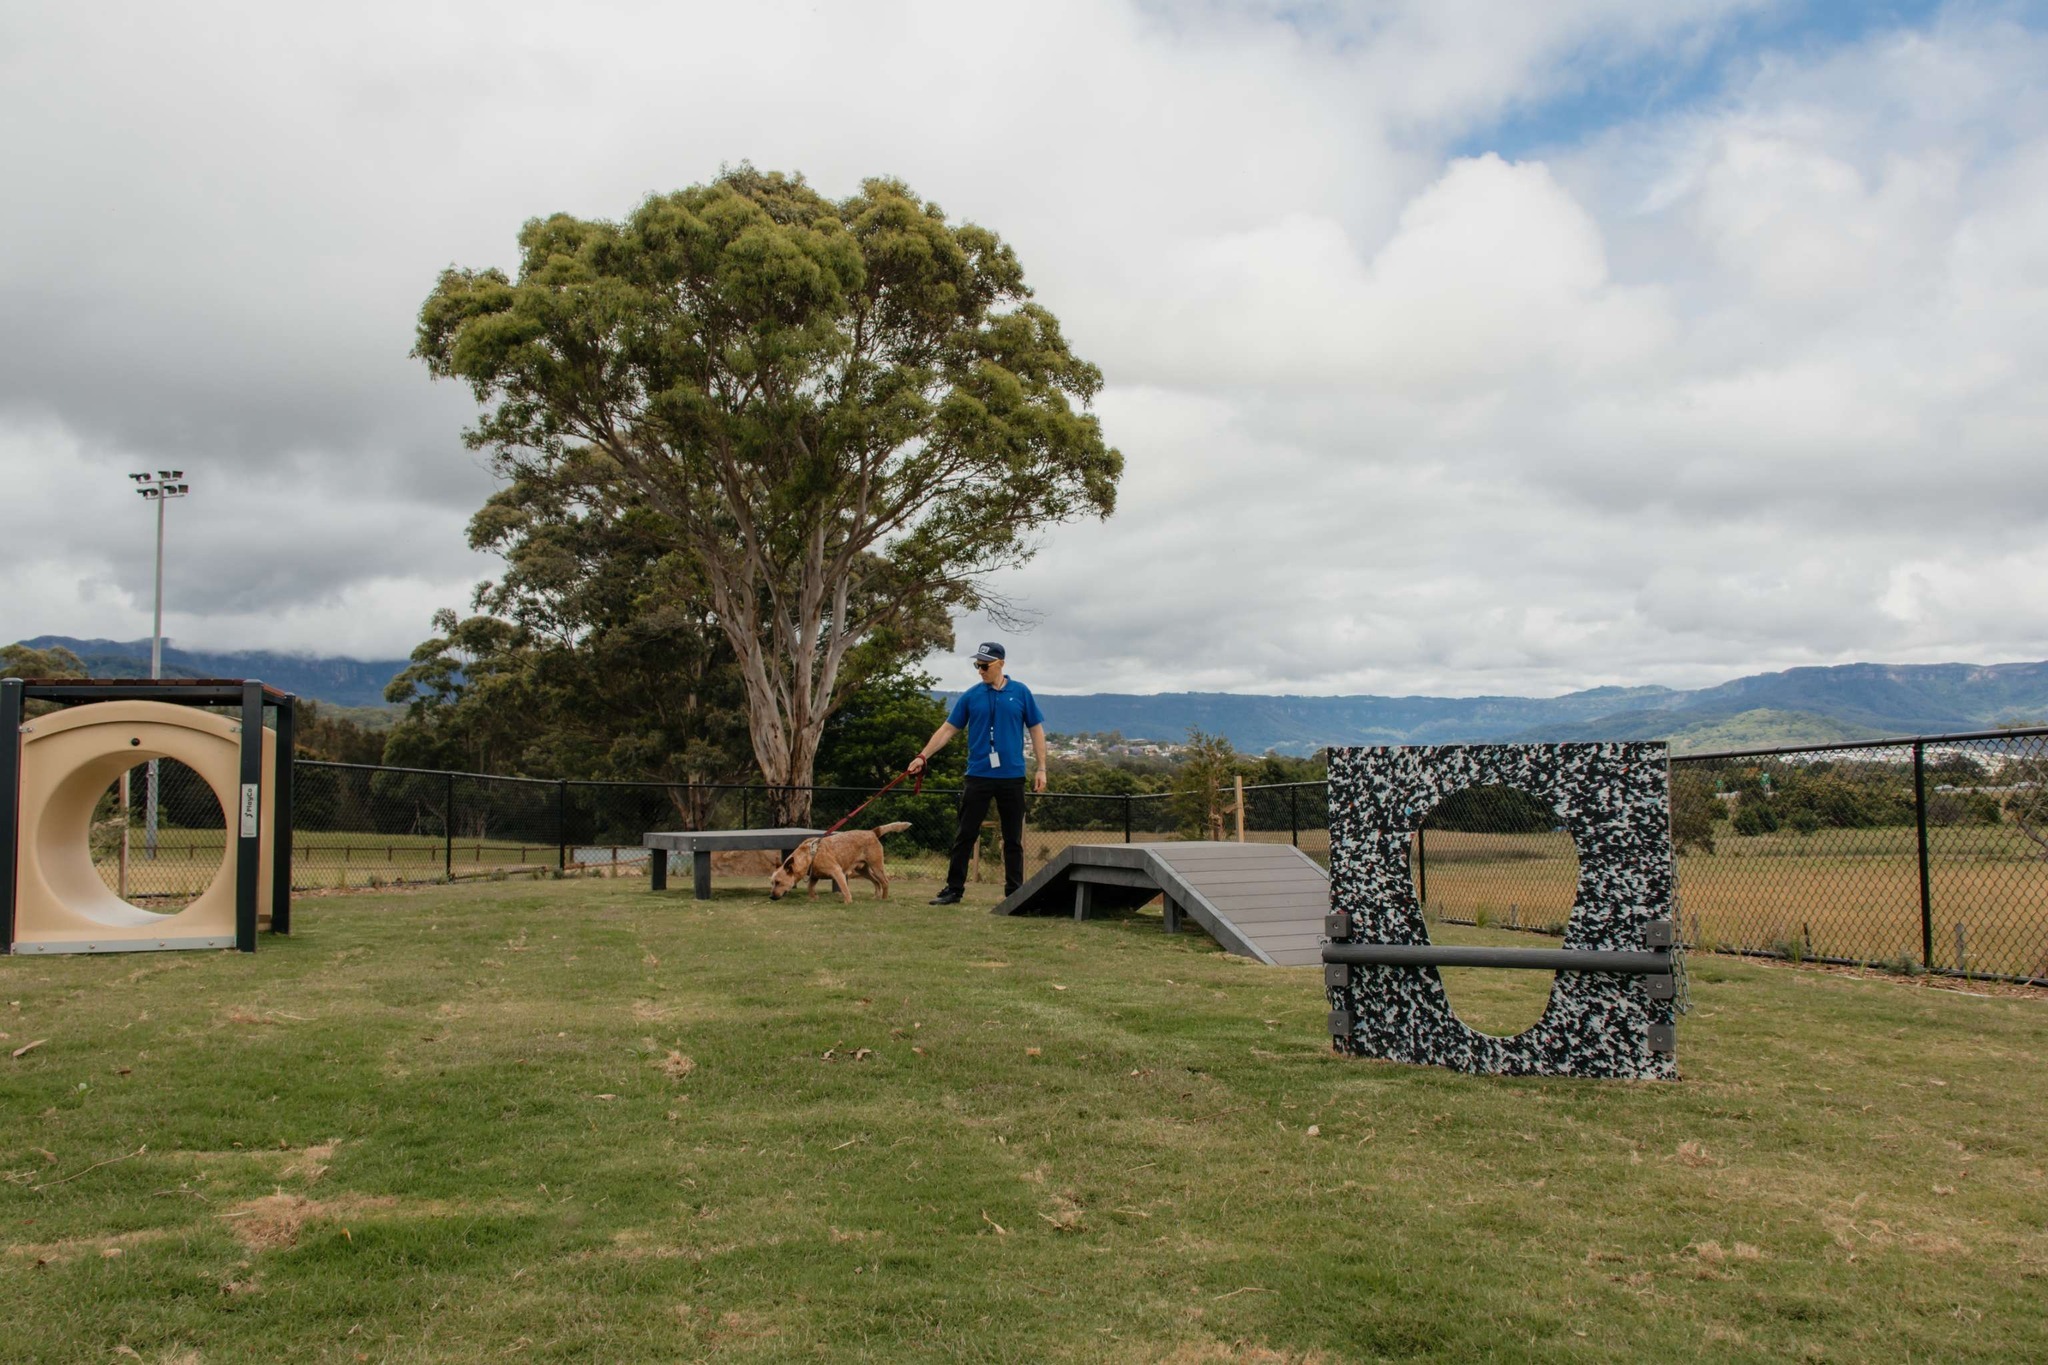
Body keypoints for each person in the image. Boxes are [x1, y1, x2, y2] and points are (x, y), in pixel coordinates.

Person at [907, 641, 1047, 904]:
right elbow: (947, 729)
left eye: (985, 665)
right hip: (978, 776)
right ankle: (953, 890)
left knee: (1013, 839)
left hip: (1012, 777)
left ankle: (1015, 893)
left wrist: (1041, 768)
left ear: (1001, 664)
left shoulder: (1021, 692)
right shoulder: (971, 696)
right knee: (965, 834)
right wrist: (923, 755)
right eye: (977, 665)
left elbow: (1036, 729)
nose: (980, 670)